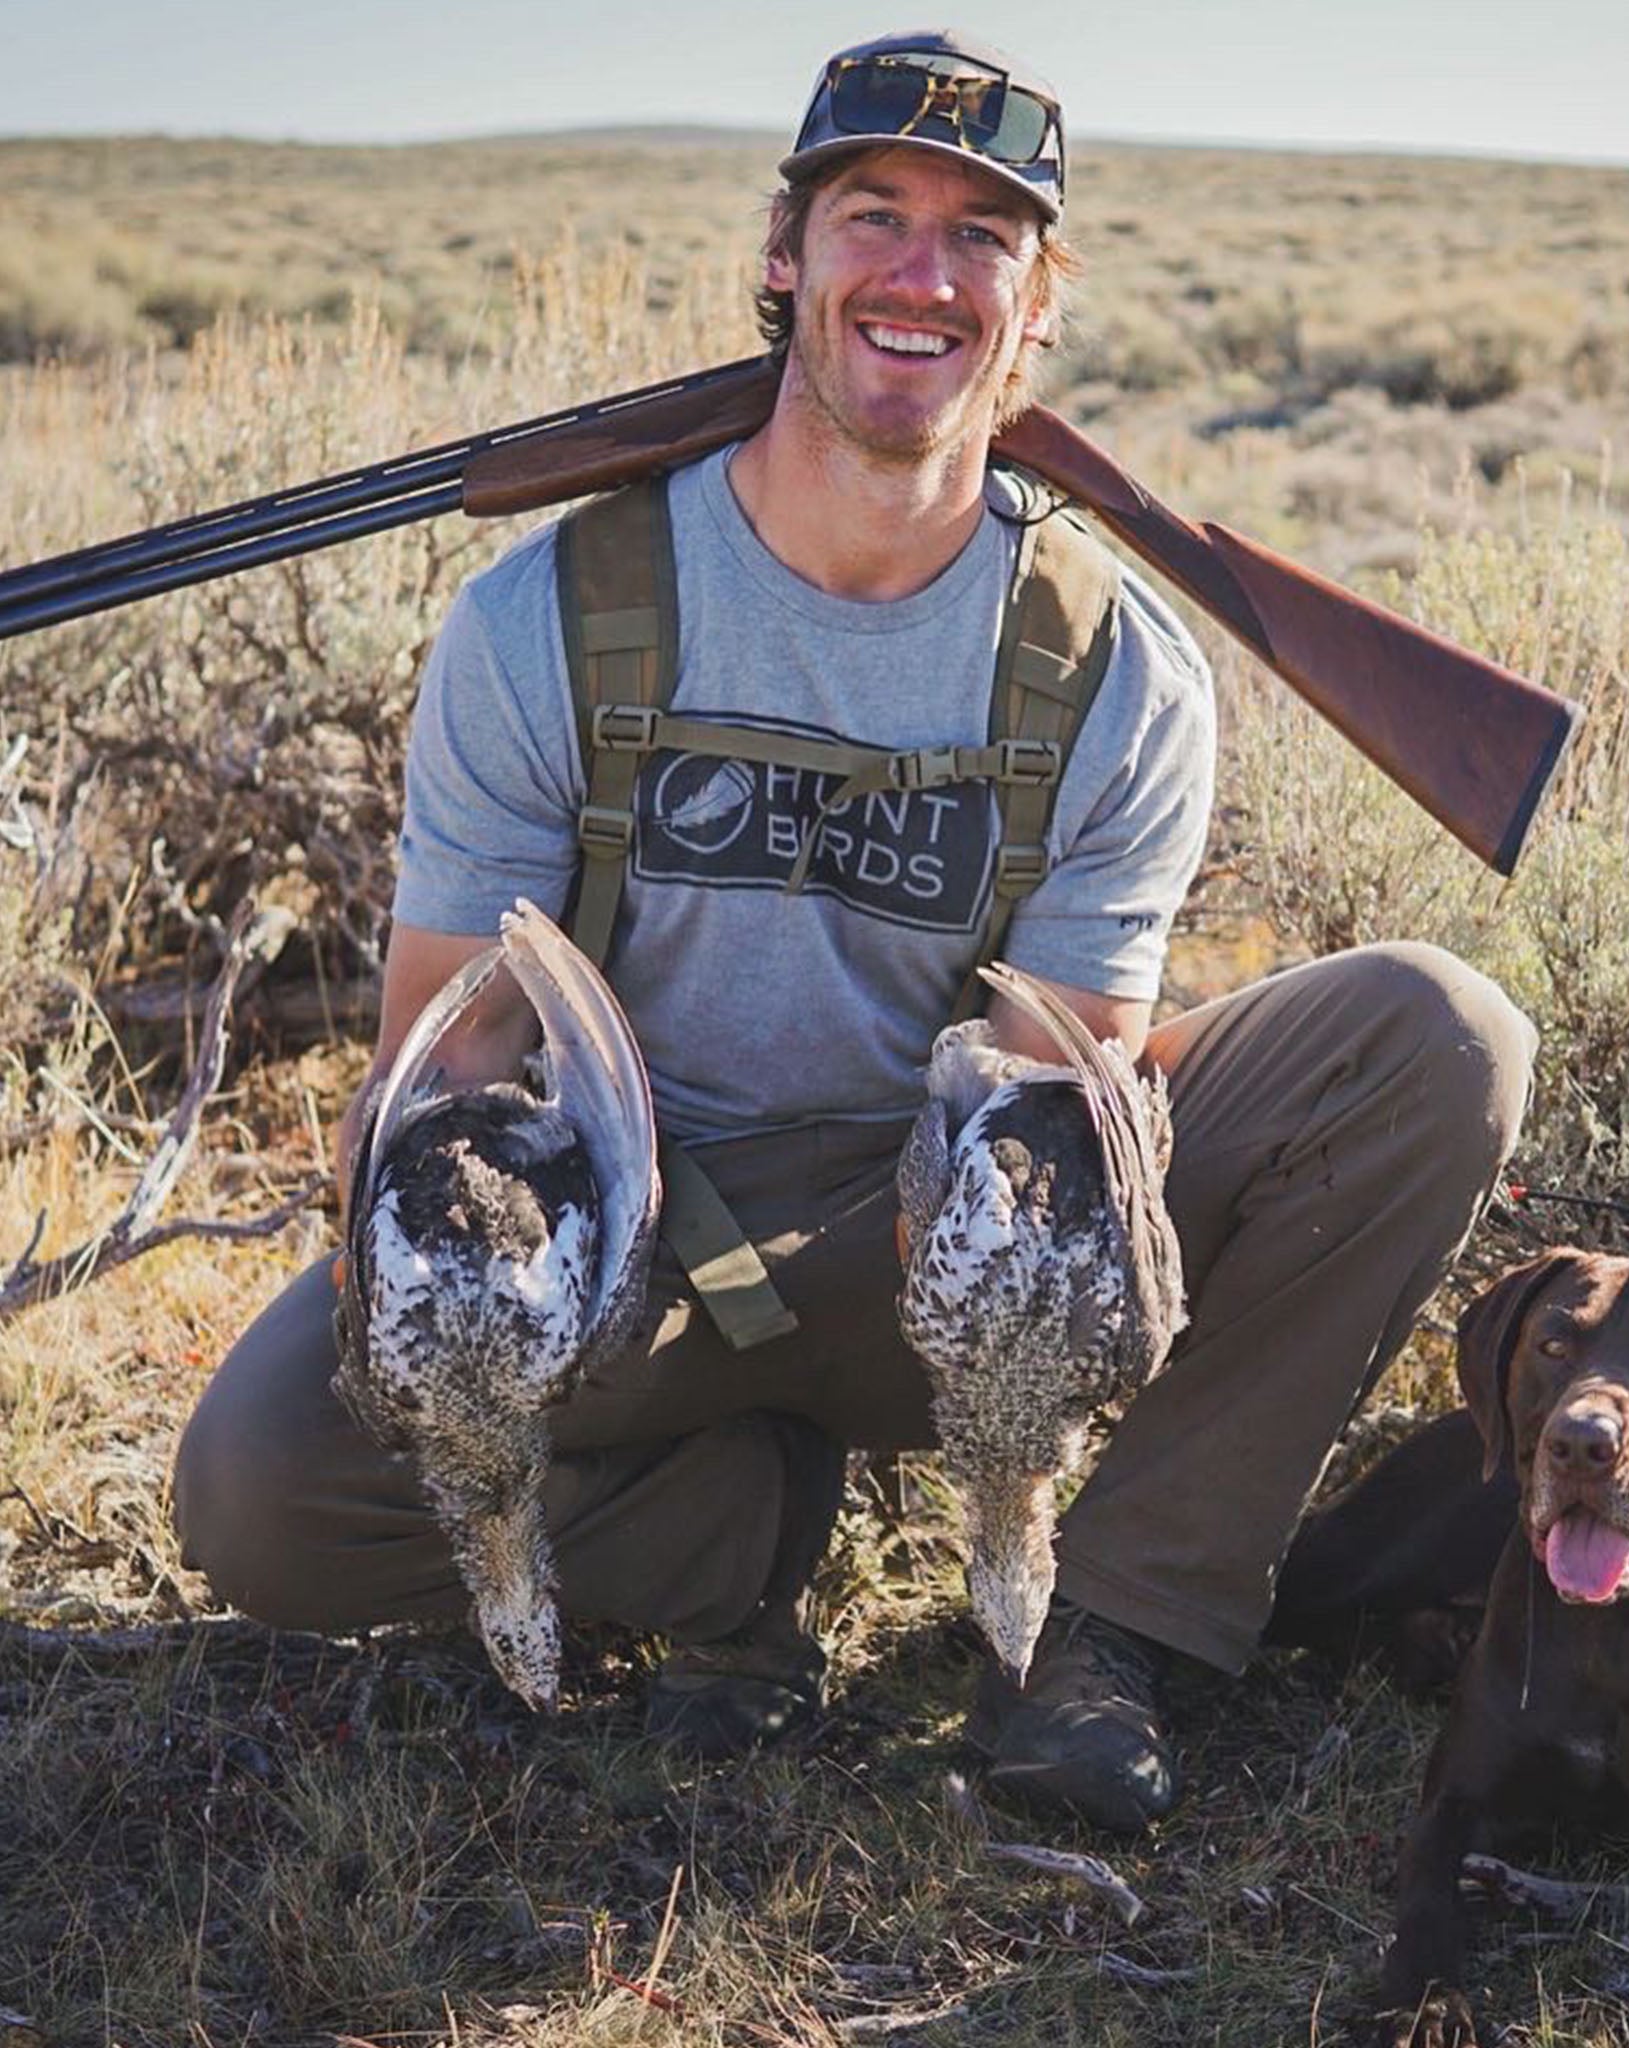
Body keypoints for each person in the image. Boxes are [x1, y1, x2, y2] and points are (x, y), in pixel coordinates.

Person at [174, 30, 1536, 1834]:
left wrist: (988, 1307)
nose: (922, 274)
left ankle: (1111, 1629)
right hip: (625, 1255)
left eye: (982, 237)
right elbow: (459, 1052)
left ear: (1037, 305)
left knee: (1438, 1038)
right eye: (874, 216)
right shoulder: (547, 618)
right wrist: (434, 1237)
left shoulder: (1117, 664)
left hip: (946, 1236)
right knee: (262, 1491)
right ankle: (738, 1537)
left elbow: (1052, 1082)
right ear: (784, 255)